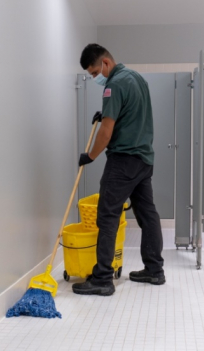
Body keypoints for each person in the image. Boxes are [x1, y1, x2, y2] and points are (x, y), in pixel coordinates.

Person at [72, 44, 165, 296]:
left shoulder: (114, 85)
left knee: (108, 215)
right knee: (148, 215)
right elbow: (132, 114)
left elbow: (106, 132)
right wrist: (107, 113)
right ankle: (155, 270)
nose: (94, 78)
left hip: (123, 161)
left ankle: (102, 278)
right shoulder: (137, 79)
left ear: (105, 63)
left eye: (94, 73)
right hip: (144, 160)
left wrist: (89, 156)